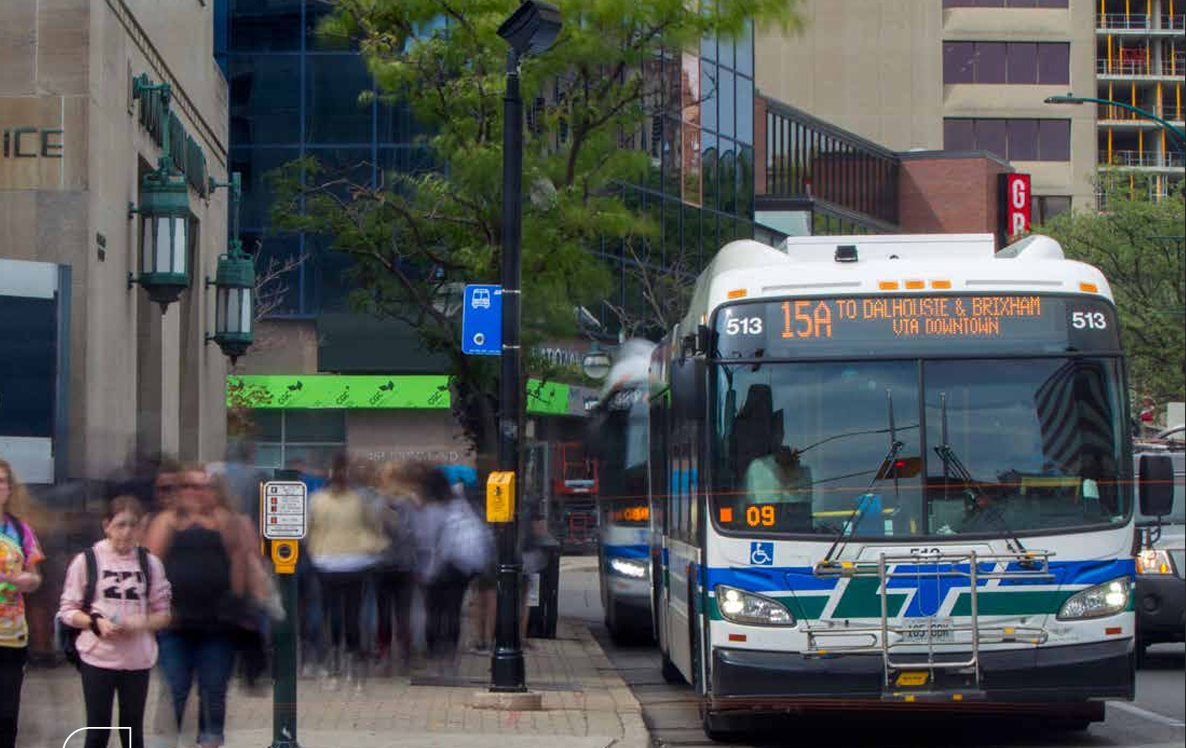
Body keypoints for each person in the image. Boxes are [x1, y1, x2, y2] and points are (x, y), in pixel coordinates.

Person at [145, 466, 246, 748]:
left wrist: (237, 602)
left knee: (214, 689)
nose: (198, 492)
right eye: (190, 485)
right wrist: (156, 610)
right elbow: (151, 566)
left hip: (217, 623)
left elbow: (239, 560)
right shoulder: (166, 522)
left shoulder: (225, 521)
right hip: (176, 623)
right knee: (176, 689)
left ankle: (210, 740)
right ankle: (168, 742)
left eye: (205, 486)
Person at [58, 496, 172, 748]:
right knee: (98, 731)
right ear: (107, 526)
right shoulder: (87, 561)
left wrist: (140, 623)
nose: (127, 531)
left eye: (133, 525)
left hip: (137, 659)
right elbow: (67, 610)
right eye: (120, 524)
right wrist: (93, 622)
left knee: (132, 733)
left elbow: (163, 613)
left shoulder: (150, 564)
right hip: (98, 656)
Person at [306, 453, 388, 690]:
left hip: (325, 561)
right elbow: (374, 526)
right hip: (355, 561)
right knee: (353, 612)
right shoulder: (359, 500)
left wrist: (314, 546)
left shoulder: (316, 500)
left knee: (331, 611)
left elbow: (307, 531)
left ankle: (333, 660)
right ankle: (353, 662)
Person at [415, 467, 492, 673]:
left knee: (433, 612)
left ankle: (434, 658)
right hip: (462, 567)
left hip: (438, 567)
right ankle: (449, 659)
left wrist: (424, 571)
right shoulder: (461, 504)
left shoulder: (430, 509)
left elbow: (426, 542)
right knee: (453, 611)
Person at [0, 457, 45, 748]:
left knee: (6, 716)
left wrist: (25, 581)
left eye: (2, 481)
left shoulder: (20, 530)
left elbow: (35, 577)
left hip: (11, 637)